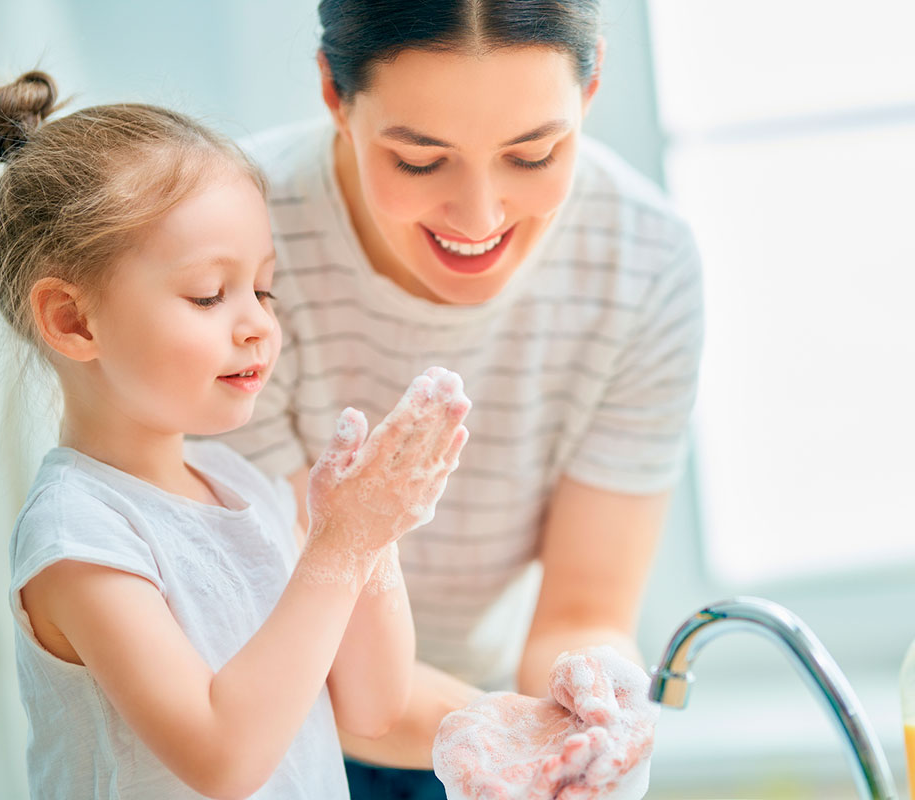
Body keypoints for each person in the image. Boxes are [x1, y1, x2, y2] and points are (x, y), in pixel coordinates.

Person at [213, 1, 705, 796]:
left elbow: (584, 606)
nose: (480, 217)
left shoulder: (644, 264)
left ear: (592, 88)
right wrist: (510, 736)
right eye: (418, 161)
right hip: (258, 718)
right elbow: (286, 632)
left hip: (472, 713)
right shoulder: (229, 241)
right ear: (335, 95)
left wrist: (587, 721)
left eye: (534, 153)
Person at [0, 71, 470, 799]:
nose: (258, 324)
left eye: (263, 289)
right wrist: (337, 548)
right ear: (73, 321)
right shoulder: (78, 535)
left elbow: (370, 706)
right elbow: (223, 759)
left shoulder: (239, 484)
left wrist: (372, 536)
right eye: (210, 294)